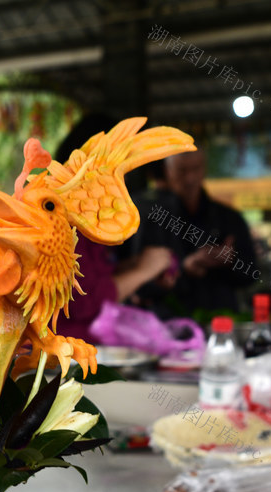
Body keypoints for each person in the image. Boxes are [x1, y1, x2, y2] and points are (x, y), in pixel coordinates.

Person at [52, 113, 175, 342]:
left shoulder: (90, 218)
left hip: (89, 349)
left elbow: (91, 277)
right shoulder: (62, 221)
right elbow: (82, 302)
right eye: (118, 168)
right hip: (61, 359)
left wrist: (135, 266)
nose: (123, 181)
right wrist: (142, 272)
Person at [130, 148, 258, 316]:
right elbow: (139, 283)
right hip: (168, 323)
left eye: (195, 169)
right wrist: (184, 268)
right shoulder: (153, 220)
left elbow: (252, 274)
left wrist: (231, 260)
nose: (189, 178)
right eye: (182, 170)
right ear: (168, 172)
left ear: (204, 169)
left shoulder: (228, 218)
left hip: (221, 319)